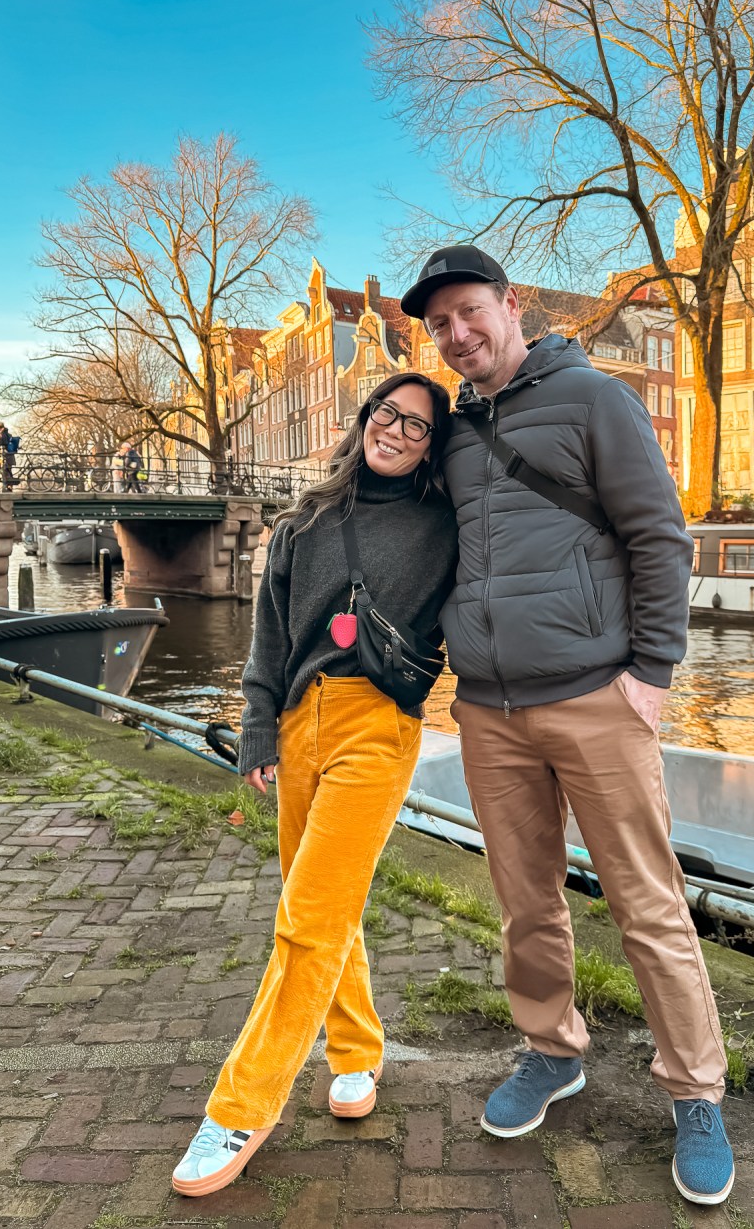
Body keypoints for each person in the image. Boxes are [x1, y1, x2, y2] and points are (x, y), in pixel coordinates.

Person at [400, 246, 734, 1208]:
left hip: (596, 695)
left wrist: (652, 672)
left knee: (648, 900)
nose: (458, 336)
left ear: (511, 306)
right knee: (525, 897)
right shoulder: (455, 434)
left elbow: (659, 534)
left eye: (470, 313)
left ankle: (695, 1088)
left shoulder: (595, 400)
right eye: (440, 327)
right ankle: (552, 1048)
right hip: (489, 708)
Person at [171, 372, 458, 1198]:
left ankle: (242, 1104)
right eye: (388, 414)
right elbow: (267, 636)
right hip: (300, 721)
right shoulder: (304, 521)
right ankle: (359, 1051)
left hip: (378, 726)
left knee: (305, 920)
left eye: (419, 427)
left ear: (434, 447)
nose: (398, 432)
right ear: (365, 418)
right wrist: (258, 729)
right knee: (322, 904)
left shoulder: (444, 526)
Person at [0, 422, 16, 491]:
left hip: (4, 455)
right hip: (11, 454)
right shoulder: (10, 435)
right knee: (9, 470)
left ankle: (6, 486)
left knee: (4, 471)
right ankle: (10, 486)